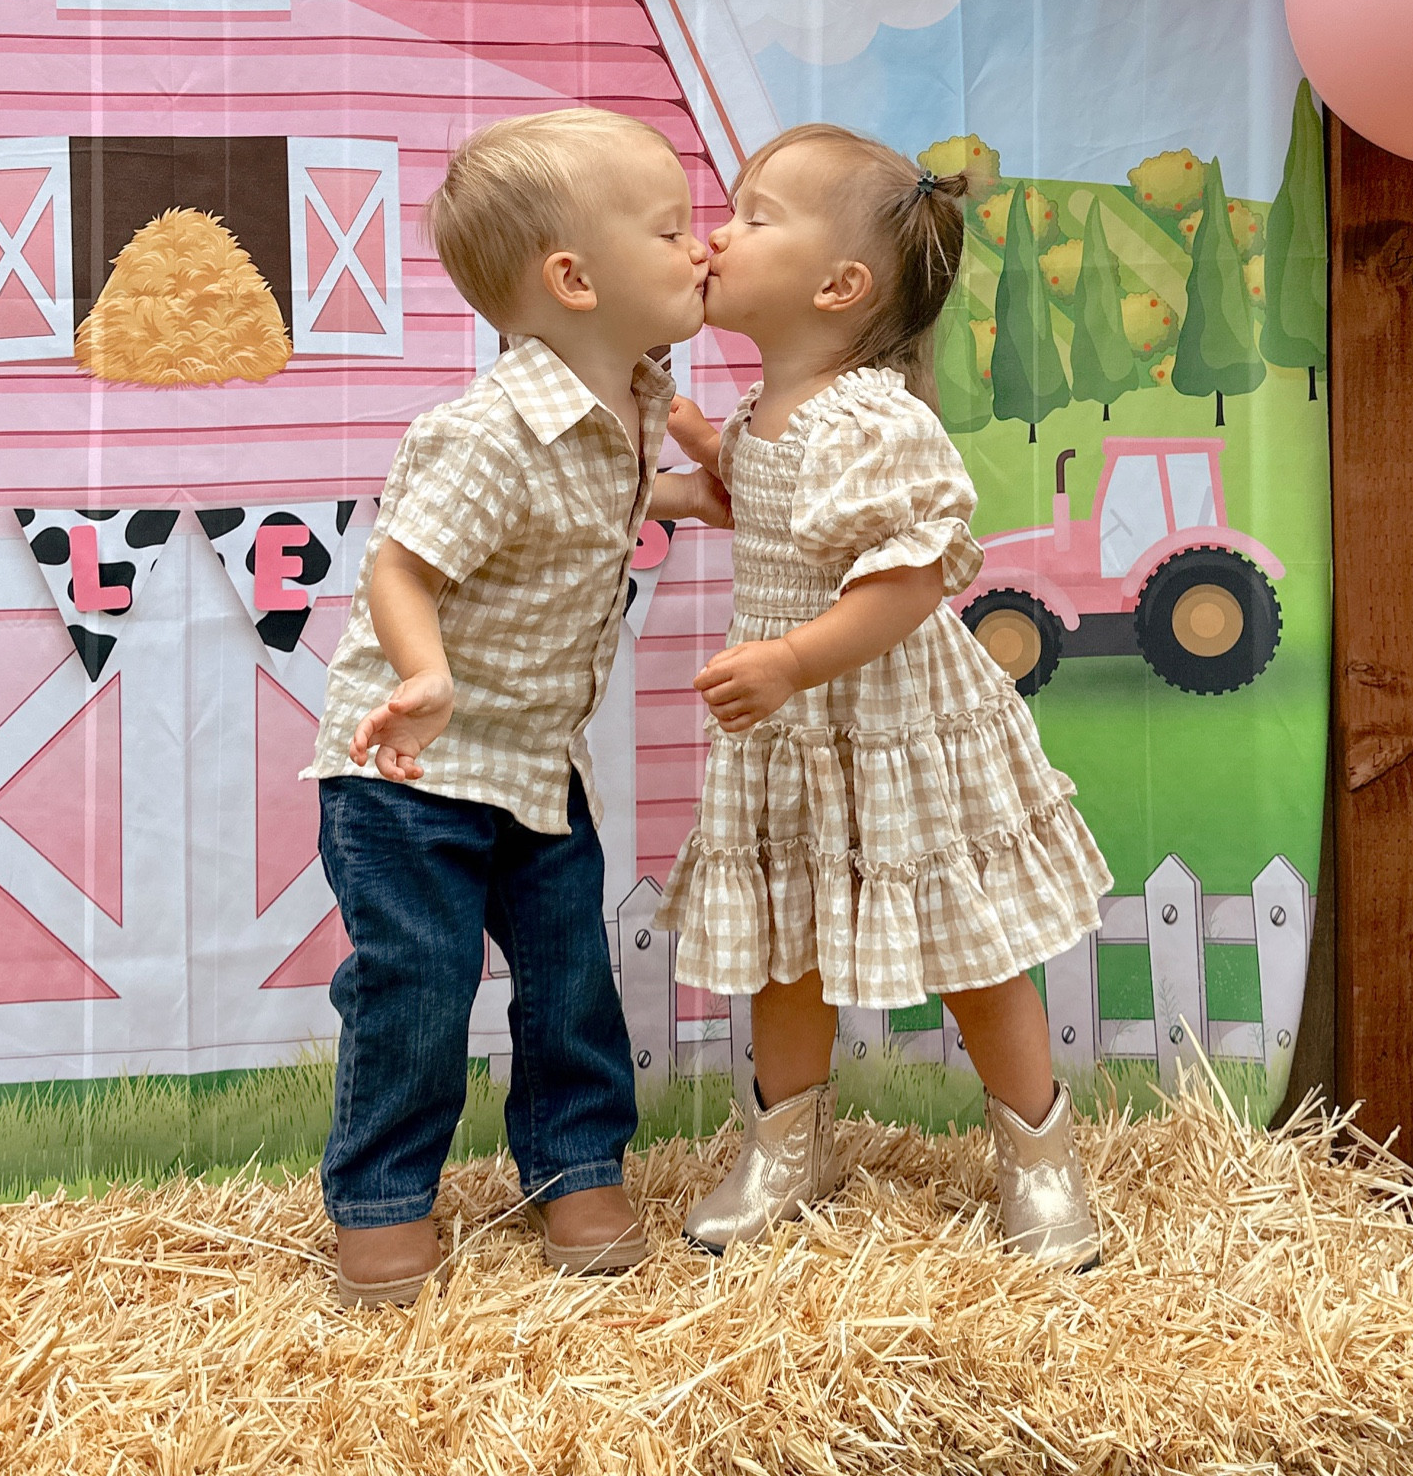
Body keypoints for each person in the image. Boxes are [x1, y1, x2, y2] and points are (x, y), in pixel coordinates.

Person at [659, 123, 1112, 1267]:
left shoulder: (870, 416)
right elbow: (756, 501)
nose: (720, 230)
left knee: (972, 947)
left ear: (837, 283)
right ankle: (785, 1146)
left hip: (887, 719)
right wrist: (676, 467)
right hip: (797, 732)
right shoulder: (774, 408)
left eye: (754, 215)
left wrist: (794, 658)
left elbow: (909, 578)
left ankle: (1040, 1156)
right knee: (786, 943)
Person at [306, 107, 727, 1308]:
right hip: (411, 768)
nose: (698, 246)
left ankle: (577, 1167)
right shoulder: (486, 431)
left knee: (568, 973)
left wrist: (751, 482)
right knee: (419, 981)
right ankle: (385, 1199)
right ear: (574, 278)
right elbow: (399, 565)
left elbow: (669, 492)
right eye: (669, 227)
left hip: (535, 762)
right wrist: (423, 673)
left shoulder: (635, 399)